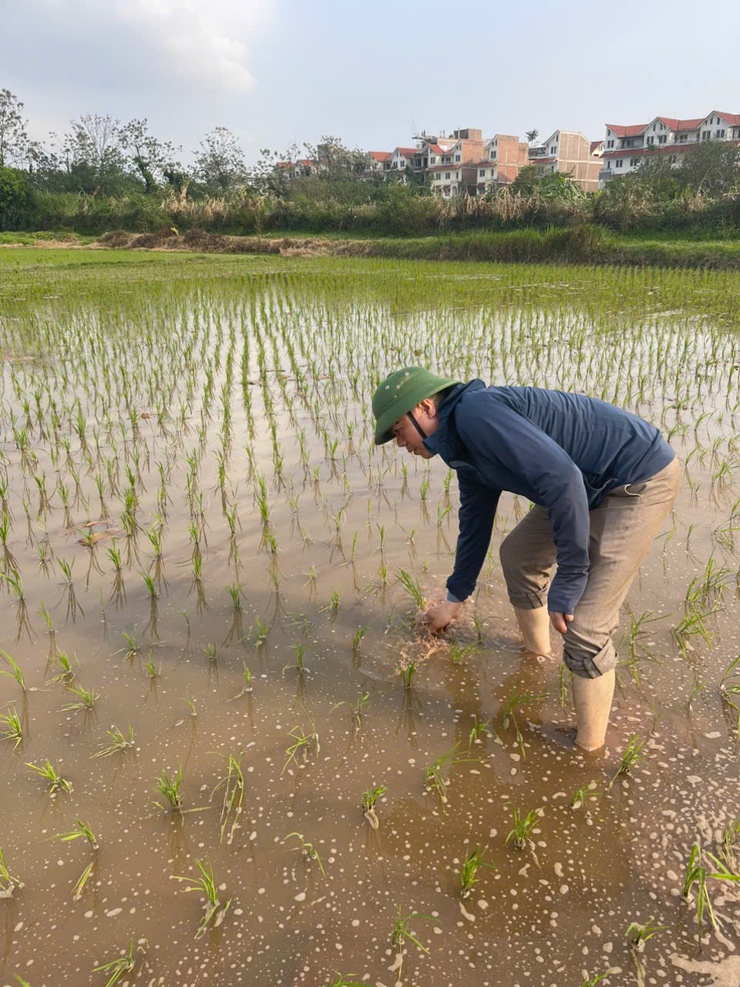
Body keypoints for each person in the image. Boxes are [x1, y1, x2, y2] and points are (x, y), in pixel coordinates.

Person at [372, 367, 679, 751]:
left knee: (585, 626)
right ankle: (538, 657)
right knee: (518, 555)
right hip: (583, 485)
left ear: (425, 407)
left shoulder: (476, 414)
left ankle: (588, 755)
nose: (398, 442)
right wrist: (454, 599)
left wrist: (571, 577)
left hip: (635, 478)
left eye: (397, 429)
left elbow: (563, 478)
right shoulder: (459, 447)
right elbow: (475, 522)